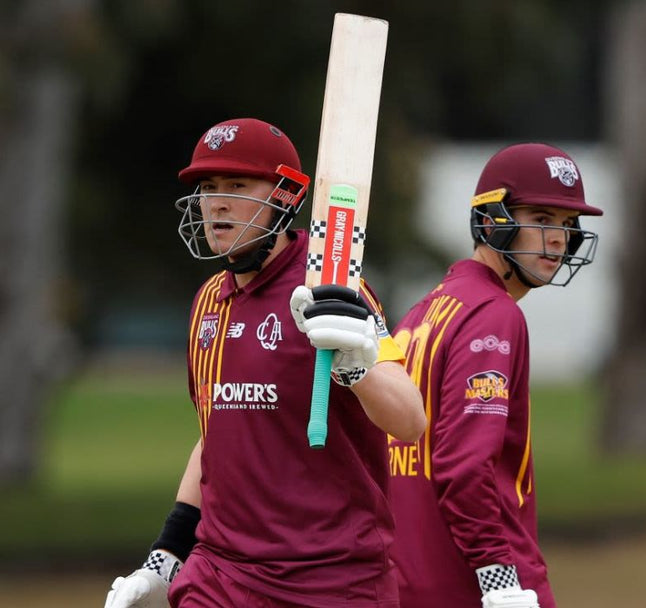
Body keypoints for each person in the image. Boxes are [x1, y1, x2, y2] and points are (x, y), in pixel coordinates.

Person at [104, 117, 426, 608]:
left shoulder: (335, 293)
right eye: (208, 187)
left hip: (333, 581)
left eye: (237, 185)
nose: (217, 202)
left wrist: (356, 367)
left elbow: (410, 420)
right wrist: (166, 555)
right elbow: (217, 434)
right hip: (220, 576)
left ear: (284, 195)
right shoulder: (209, 302)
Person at [386, 143, 603, 608]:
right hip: (477, 584)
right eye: (542, 220)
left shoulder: (424, 311)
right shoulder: (492, 314)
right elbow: (463, 467)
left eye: (566, 225)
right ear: (491, 221)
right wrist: (499, 577)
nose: (558, 241)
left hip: (411, 582)